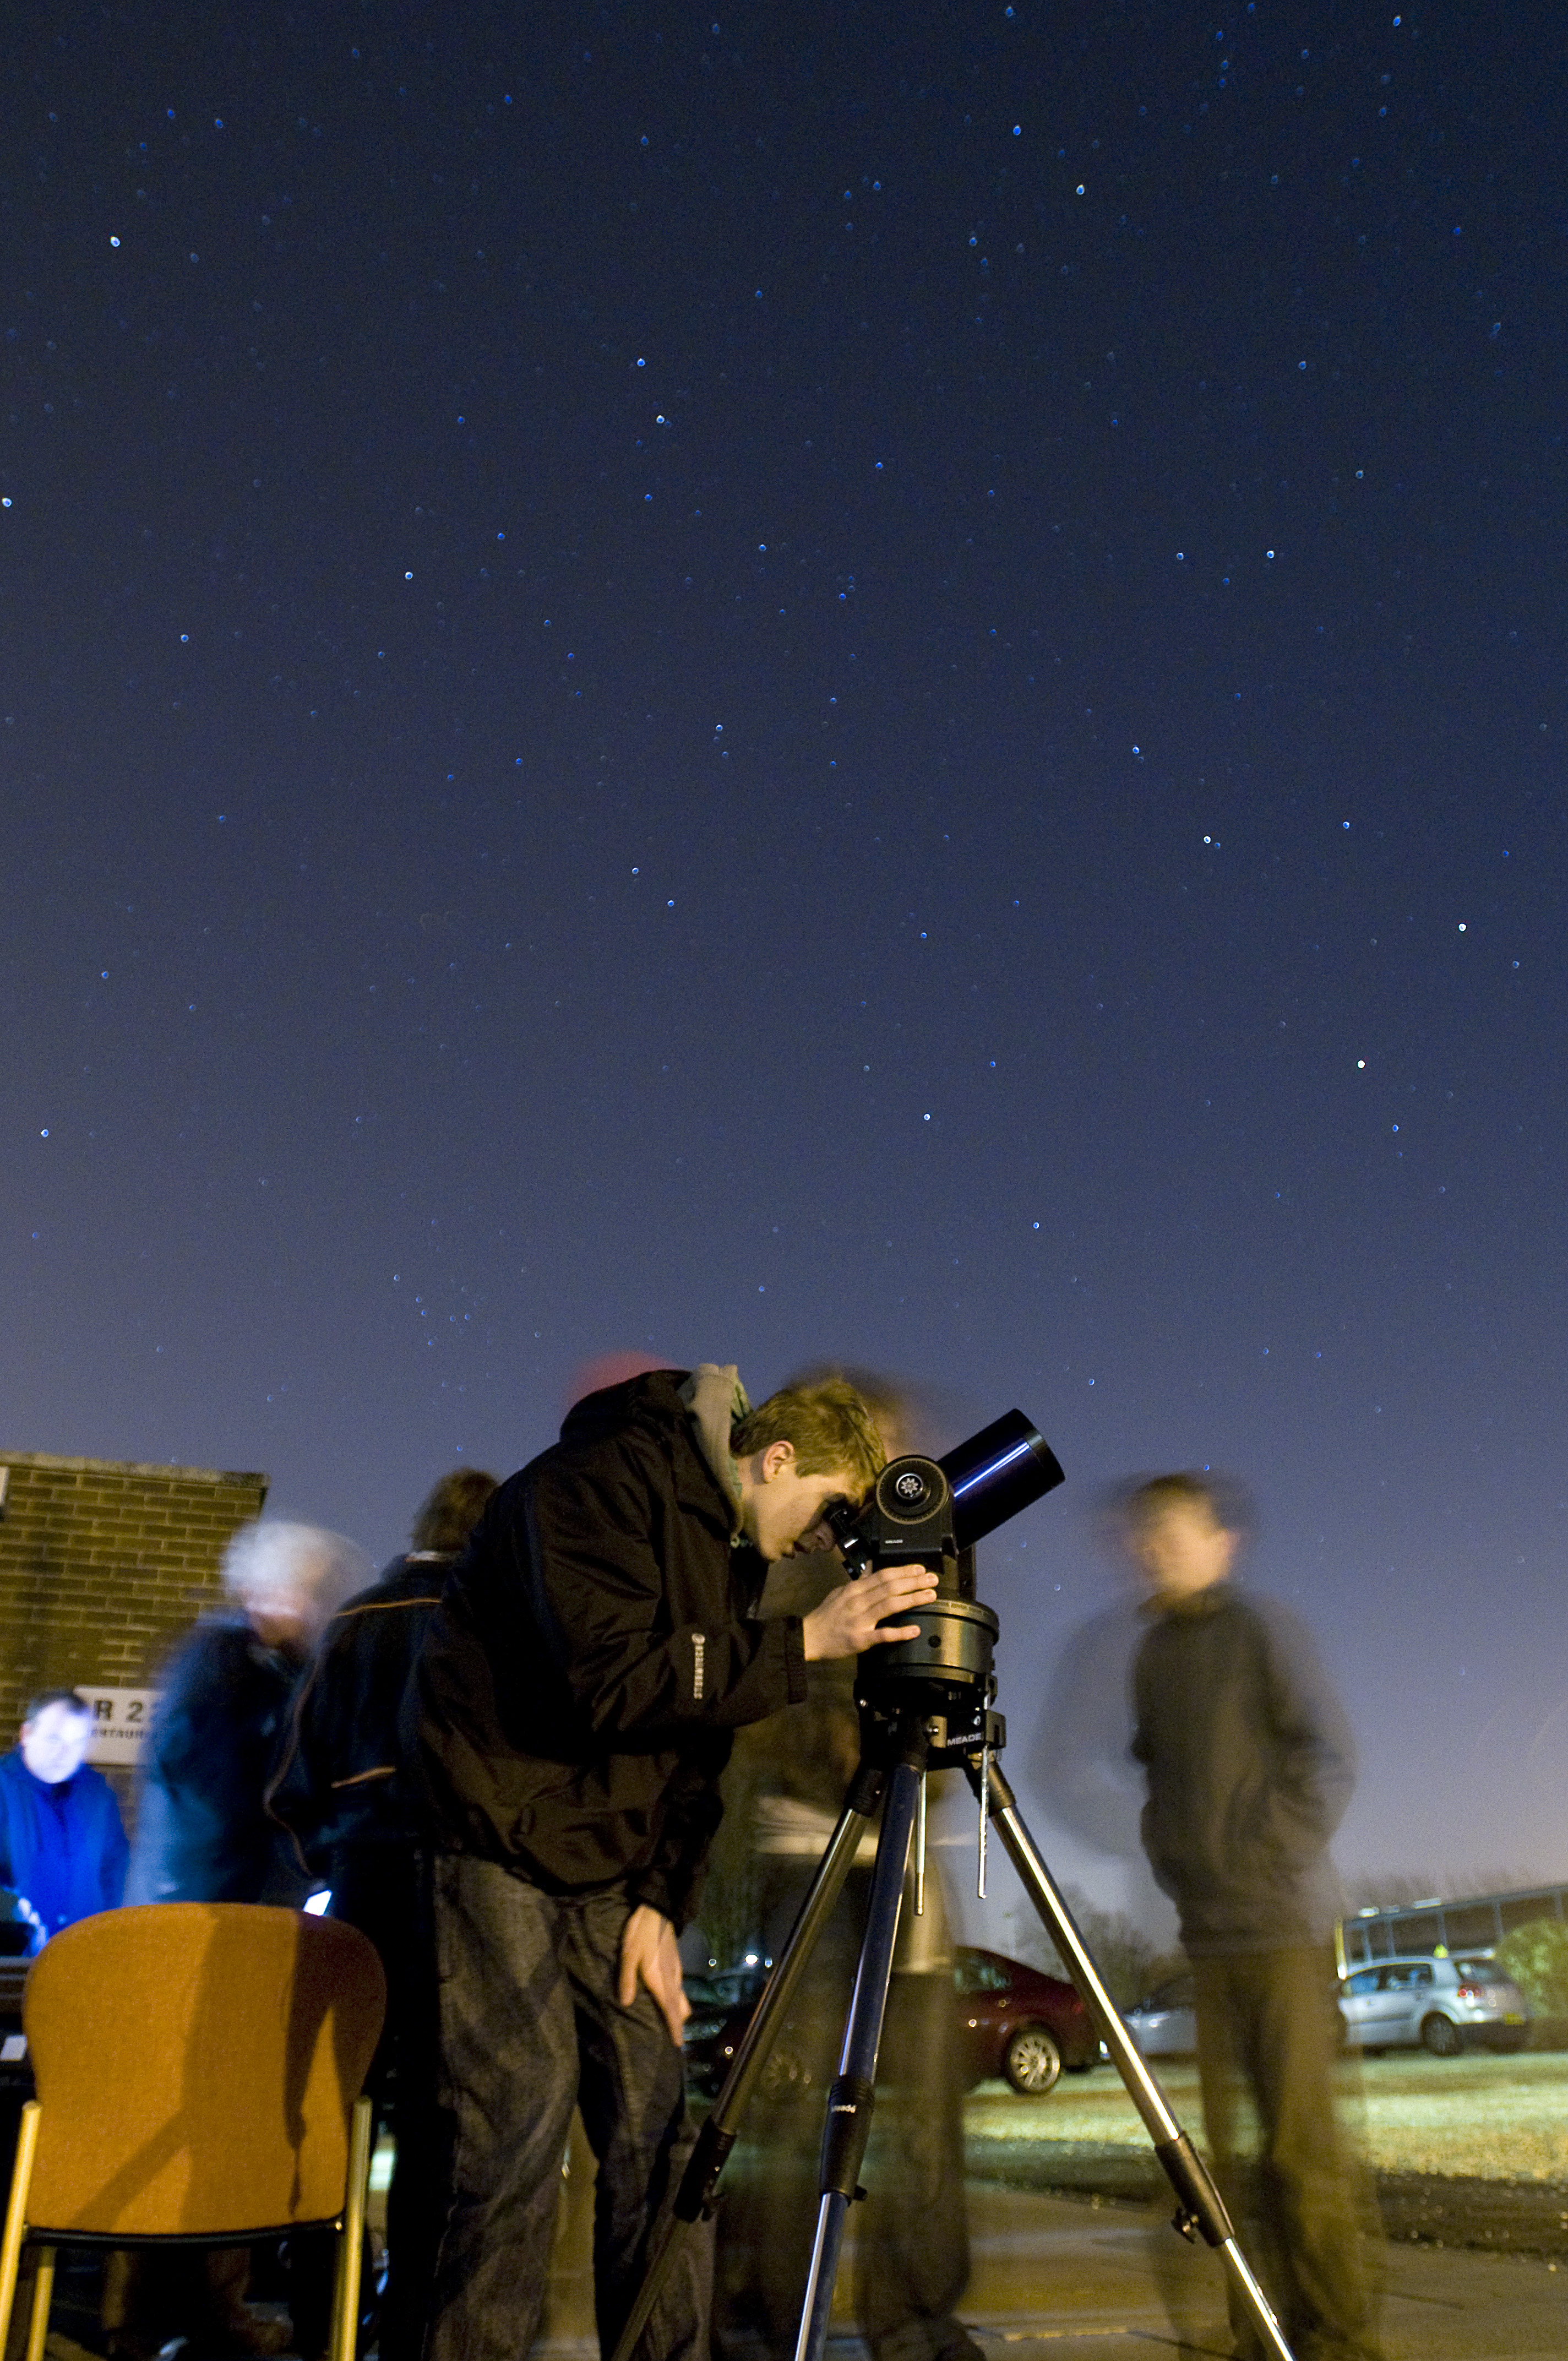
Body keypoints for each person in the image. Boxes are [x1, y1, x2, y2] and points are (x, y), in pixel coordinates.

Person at [409, 1365, 937, 2361]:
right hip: (496, 1835)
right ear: (773, 1457)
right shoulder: (597, 1479)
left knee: (661, 2139)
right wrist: (803, 1642)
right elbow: (605, 1679)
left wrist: (660, 1899)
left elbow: (699, 1750)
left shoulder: (732, 1554)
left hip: (610, 1872)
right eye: (828, 1507)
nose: (828, 1539)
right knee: (515, 2132)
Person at [1124, 1472, 1382, 2361]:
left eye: (1173, 1531)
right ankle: (1260, 2339)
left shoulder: (1261, 1630)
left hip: (1282, 1931)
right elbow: (1158, 1781)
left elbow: (1326, 1753)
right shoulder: (1152, 1655)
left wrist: (1258, 1851)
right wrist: (1175, 1857)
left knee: (1303, 2161)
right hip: (1209, 1936)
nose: (1154, 1547)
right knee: (1225, 2171)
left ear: (1218, 1541)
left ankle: (1341, 2340)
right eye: (1145, 1535)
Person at [113, 1521, 370, 2361]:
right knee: (212, 2116)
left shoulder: (231, 1668)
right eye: (310, 1589)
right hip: (218, 1930)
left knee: (202, 2114)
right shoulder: (237, 1674)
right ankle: (190, 2314)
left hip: (209, 1920)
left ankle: (164, 2311)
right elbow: (256, 1800)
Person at [266, 1467, 499, 2361]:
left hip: (359, 1883)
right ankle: (409, 2322)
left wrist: (329, 1859)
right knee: (437, 2116)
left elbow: (292, 1777)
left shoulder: (355, 1620)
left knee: (336, 2107)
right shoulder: (489, 1620)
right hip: (452, 1883)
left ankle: (322, 2309)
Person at [0, 1690, 128, 1947]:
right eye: (54, 1740)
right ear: (27, 1735)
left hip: (84, 1954)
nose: (66, 1754)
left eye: (78, 1742)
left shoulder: (99, 1795)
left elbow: (115, 1869)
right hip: (14, 1958)